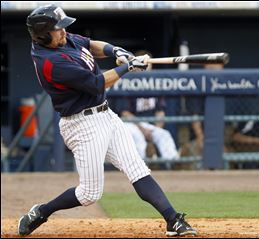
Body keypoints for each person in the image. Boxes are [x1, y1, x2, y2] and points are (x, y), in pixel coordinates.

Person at [18, 4, 197, 237]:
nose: (63, 32)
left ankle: (173, 220)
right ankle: (41, 211)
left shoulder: (61, 39)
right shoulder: (50, 62)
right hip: (81, 125)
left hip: (105, 115)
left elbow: (91, 45)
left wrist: (116, 51)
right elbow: (97, 84)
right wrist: (127, 67)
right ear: (43, 34)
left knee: (137, 169)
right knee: (89, 194)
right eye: (58, 29)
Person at [112, 50, 179, 161]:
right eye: (142, 65)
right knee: (138, 138)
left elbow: (160, 112)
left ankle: (172, 166)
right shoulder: (127, 82)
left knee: (163, 135)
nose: (146, 68)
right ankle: (139, 169)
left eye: (148, 65)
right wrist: (143, 130)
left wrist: (155, 131)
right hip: (130, 124)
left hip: (149, 125)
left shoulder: (156, 83)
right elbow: (125, 113)